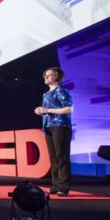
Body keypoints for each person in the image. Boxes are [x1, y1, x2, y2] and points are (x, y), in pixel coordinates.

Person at [35, 66, 74, 196]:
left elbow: (69, 109)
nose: (46, 77)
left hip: (61, 126)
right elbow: (47, 111)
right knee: (53, 157)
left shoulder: (61, 91)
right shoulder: (46, 94)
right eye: (45, 75)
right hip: (48, 126)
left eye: (49, 75)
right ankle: (55, 185)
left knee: (61, 156)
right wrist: (41, 111)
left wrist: (47, 110)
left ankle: (63, 187)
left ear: (56, 76)